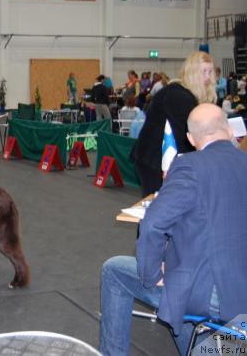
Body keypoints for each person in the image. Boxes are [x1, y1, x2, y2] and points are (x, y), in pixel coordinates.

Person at [99, 103, 247, 356]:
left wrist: (152, 272)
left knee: (113, 270)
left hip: (213, 293)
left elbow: (154, 223)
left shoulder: (190, 167)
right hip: (240, 293)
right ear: (230, 131)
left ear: (190, 138)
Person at [131, 51, 217, 196]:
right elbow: (185, 134)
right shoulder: (178, 95)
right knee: (159, 206)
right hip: (154, 160)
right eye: (203, 72)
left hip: (163, 157)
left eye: (210, 72)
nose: (208, 77)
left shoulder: (186, 94)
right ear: (192, 72)